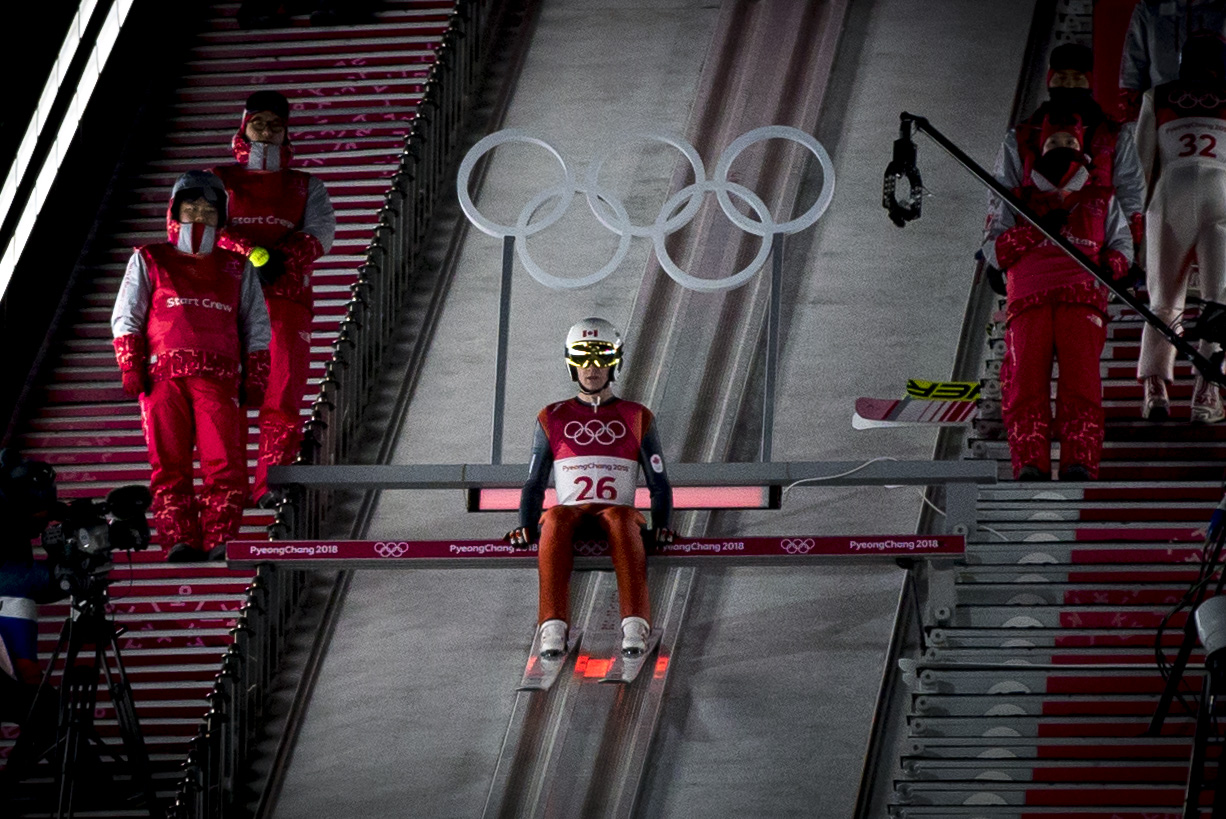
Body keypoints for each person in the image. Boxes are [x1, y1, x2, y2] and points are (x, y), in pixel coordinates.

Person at [111, 171, 271, 562]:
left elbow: (256, 322)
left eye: (208, 211)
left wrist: (256, 373)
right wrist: (130, 364)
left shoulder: (237, 266)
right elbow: (126, 314)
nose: (199, 217)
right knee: (169, 463)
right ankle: (178, 539)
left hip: (219, 379)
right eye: (191, 208)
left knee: (226, 463)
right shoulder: (149, 258)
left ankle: (219, 537)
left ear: (221, 219)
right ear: (174, 211)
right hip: (162, 377)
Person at [507, 319, 674, 656]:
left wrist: (663, 526)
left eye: (601, 359)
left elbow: (659, 482)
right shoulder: (551, 416)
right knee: (553, 518)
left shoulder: (636, 415)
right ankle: (552, 627)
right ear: (571, 363)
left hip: (617, 513)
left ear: (615, 363)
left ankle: (635, 626)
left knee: (620, 518)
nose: (591, 368)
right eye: (583, 358)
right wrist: (526, 523)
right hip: (573, 513)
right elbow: (534, 480)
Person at [983, 114, 1134, 481]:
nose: (1062, 149)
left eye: (1069, 143)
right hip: (1028, 299)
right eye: (1054, 143)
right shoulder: (1015, 198)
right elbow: (993, 250)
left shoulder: (1101, 197)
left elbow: (1123, 249)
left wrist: (1106, 268)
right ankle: (1030, 462)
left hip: (1081, 299)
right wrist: (1035, 233)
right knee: (1025, 384)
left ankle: (1079, 460)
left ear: (1082, 149)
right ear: (1040, 148)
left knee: (1081, 384)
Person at [211, 90, 336, 508]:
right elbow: (195, 226)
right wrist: (251, 252)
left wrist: (284, 257)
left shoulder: (306, 185)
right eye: (258, 123)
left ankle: (271, 485)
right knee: (221, 401)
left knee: (281, 394)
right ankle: (225, 492)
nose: (266, 131)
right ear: (243, 126)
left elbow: (321, 232)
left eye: (275, 125)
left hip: (286, 300)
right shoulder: (218, 180)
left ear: (286, 132)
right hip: (224, 300)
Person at [1135, 32, 1226, 422]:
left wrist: (1133, 226)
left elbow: (1141, 164)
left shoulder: (1158, 95)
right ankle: (1207, 391)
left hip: (1169, 195)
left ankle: (1155, 387)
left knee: (1163, 298)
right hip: (1221, 193)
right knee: (1218, 302)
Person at [988, 43, 1146, 255]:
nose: (1069, 86)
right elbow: (1002, 191)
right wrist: (997, 250)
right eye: (1061, 78)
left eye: (1077, 79)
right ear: (1050, 80)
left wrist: (1126, 250)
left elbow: (1130, 190)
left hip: (1094, 248)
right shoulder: (1022, 135)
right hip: (1033, 246)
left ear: (1089, 82)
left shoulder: (1113, 136)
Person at [1118, 0, 1226, 121]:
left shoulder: (1221, 10)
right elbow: (1133, 68)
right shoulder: (1150, 10)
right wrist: (1131, 115)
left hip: (1216, 111)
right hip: (1162, 110)